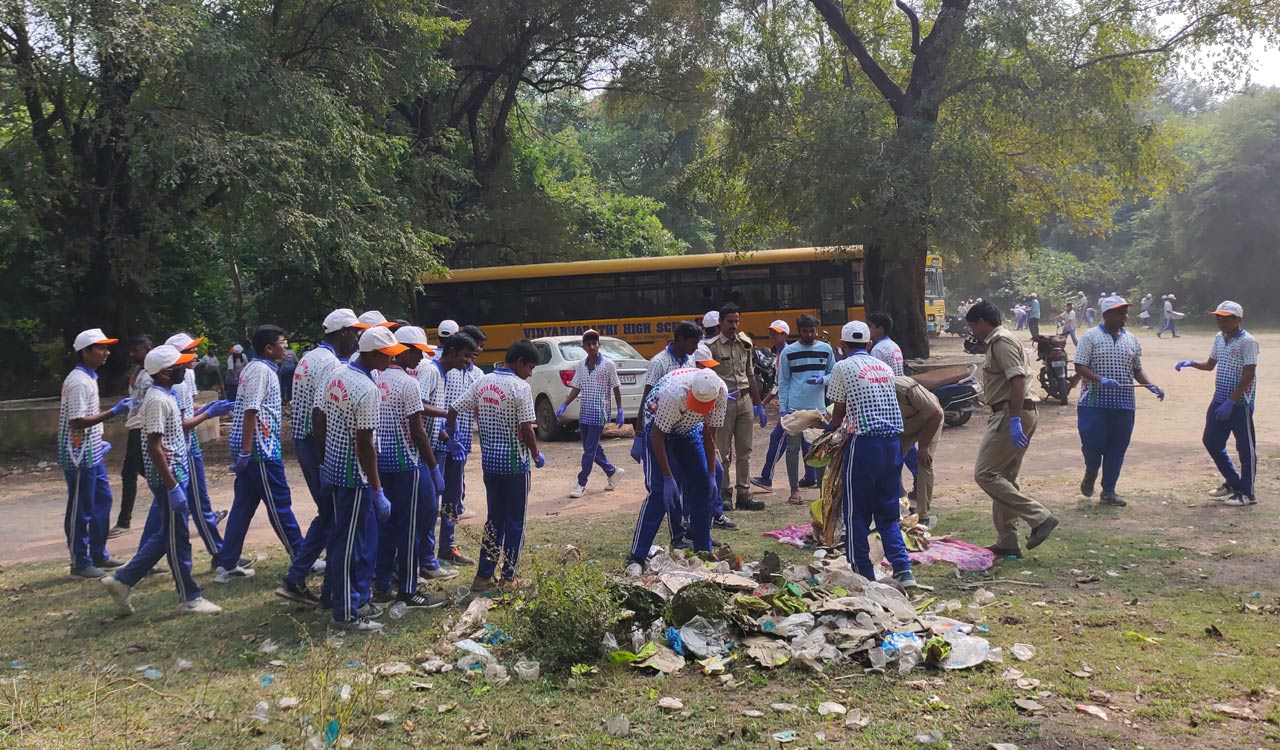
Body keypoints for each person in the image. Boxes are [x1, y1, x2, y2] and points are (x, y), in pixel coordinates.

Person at [100, 345, 223, 616]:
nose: (184, 369)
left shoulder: (166, 395)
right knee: (178, 539)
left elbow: (171, 433)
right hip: (169, 478)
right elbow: (155, 446)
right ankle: (189, 597)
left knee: (167, 534)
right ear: (166, 372)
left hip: (176, 474)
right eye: (179, 365)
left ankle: (123, 580)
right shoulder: (156, 400)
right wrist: (172, 486)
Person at [275, 309, 367, 606]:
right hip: (318, 444)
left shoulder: (309, 357)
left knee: (329, 514)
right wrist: (327, 460)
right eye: (354, 332)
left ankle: (307, 579)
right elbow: (319, 416)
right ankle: (317, 584)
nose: (357, 338)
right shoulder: (330, 363)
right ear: (343, 333)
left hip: (307, 443)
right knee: (335, 515)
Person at [318, 327, 405, 632]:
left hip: (335, 467)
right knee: (348, 544)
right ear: (372, 354)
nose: (391, 360)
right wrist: (377, 488)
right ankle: (345, 614)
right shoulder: (367, 389)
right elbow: (365, 442)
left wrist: (324, 458)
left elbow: (322, 418)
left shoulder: (338, 375)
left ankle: (346, 599)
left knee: (345, 538)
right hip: (354, 476)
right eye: (387, 355)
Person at [445, 339, 544, 592]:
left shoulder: (482, 381)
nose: (530, 374)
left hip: (490, 465)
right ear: (520, 362)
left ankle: (483, 575)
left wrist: (451, 435)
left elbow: (454, 408)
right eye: (530, 367)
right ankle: (510, 577)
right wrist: (535, 453)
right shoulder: (520, 387)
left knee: (494, 520)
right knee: (515, 521)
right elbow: (526, 428)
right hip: (515, 464)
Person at [825, 321, 916, 588]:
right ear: (868, 344)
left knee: (856, 510)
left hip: (864, 444)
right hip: (892, 444)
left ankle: (863, 571)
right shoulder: (885, 367)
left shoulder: (842, 367)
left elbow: (838, 413)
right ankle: (903, 569)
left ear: (842, 345)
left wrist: (825, 429)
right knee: (888, 512)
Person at [965, 301, 1058, 558]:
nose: (973, 331)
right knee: (1004, 477)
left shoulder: (1001, 342)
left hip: (1010, 413)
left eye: (973, 325)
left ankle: (1040, 516)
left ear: (982, 321)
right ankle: (1007, 540)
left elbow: (1016, 381)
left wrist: (1014, 419)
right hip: (1015, 412)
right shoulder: (1003, 340)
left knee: (985, 474)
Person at [213, 324, 304, 583]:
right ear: (268, 348)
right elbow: (252, 410)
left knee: (243, 505)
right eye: (282, 343)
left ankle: (227, 563)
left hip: (255, 446)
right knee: (279, 504)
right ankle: (301, 556)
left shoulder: (257, 368)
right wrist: (245, 449)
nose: (286, 347)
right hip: (259, 449)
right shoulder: (261, 371)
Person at [371, 326, 451, 609]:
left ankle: (381, 584)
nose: (420, 359)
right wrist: (433, 466)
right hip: (407, 464)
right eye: (417, 352)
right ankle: (407, 588)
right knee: (408, 528)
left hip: (380, 464)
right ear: (403, 350)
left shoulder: (375, 378)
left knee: (386, 527)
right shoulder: (408, 384)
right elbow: (417, 431)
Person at [625, 368, 728, 575]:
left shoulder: (721, 392)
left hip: (691, 430)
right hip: (659, 430)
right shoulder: (675, 394)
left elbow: (710, 433)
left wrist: (710, 473)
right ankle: (637, 555)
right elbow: (657, 436)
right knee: (659, 493)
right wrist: (667, 476)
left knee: (704, 487)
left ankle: (702, 550)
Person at [1074, 296, 1164, 507]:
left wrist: (1150, 386)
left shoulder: (1131, 339)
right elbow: (1080, 366)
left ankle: (1109, 491)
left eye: (1125, 312)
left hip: (1123, 404)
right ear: (1106, 315)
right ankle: (1091, 470)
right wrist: (1100, 379)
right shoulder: (1090, 336)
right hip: (1093, 403)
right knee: (1093, 446)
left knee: (1117, 447)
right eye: (1119, 312)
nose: (1124, 316)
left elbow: (1136, 368)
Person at [59, 328, 130, 579]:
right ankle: (80, 562)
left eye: (106, 348)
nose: (106, 352)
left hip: (92, 450)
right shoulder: (78, 381)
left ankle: (98, 553)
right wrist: (113, 413)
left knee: (102, 500)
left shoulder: (90, 377)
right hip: (78, 453)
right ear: (85, 351)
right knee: (82, 508)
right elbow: (76, 421)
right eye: (101, 348)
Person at [1176, 301, 1259, 506]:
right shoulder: (1219, 338)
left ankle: (1247, 493)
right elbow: (1211, 364)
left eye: (1226, 318)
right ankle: (1233, 482)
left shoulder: (1248, 342)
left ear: (1238, 319)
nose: (1221, 322)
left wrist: (1232, 401)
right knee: (1211, 441)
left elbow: (1249, 373)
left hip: (1240, 402)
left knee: (1245, 448)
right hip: (1219, 399)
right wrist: (1192, 363)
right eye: (1218, 317)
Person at [163, 332, 235, 561]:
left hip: (188, 444)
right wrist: (207, 414)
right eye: (190, 351)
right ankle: (219, 554)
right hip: (182, 448)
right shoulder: (178, 381)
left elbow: (187, 407)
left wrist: (207, 406)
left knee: (182, 507)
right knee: (197, 503)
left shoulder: (187, 377)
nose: (196, 355)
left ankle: (218, 552)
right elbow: (181, 423)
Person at [415, 331, 480, 575]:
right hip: (430, 450)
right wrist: (445, 416)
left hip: (452, 443)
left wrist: (448, 435)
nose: (469, 361)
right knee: (430, 505)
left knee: (452, 498)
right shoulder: (431, 371)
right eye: (466, 356)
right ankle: (425, 557)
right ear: (451, 351)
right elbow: (417, 407)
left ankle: (446, 547)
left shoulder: (464, 374)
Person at [707, 303, 767, 511]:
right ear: (721, 322)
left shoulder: (745, 344)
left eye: (736, 321)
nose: (734, 325)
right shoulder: (711, 347)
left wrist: (759, 403)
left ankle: (744, 492)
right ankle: (724, 493)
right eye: (730, 321)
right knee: (722, 451)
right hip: (723, 402)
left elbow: (750, 374)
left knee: (745, 450)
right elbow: (707, 378)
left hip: (744, 400)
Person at [776, 314, 835, 505]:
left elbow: (833, 373)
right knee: (792, 450)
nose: (809, 334)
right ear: (798, 330)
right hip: (795, 407)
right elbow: (783, 381)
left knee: (819, 451)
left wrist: (822, 380)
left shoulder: (826, 349)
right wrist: (783, 409)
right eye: (805, 331)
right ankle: (794, 490)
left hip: (818, 409)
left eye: (812, 330)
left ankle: (823, 492)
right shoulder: (789, 352)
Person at [558, 329, 625, 498]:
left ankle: (581, 483)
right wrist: (565, 404)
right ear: (584, 347)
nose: (592, 346)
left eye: (595, 343)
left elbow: (616, 387)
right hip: (585, 411)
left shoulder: (608, 364)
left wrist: (620, 410)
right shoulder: (580, 365)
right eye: (589, 344)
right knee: (592, 448)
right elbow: (576, 387)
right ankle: (612, 471)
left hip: (599, 412)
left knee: (589, 451)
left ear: (599, 345)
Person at [634, 321, 701, 463]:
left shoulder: (691, 359)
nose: (696, 348)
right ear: (681, 340)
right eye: (693, 343)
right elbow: (647, 397)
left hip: (682, 426)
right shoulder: (659, 362)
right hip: (659, 425)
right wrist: (639, 433)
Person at [112, 335, 153, 537]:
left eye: (136, 350)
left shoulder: (154, 372)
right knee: (147, 471)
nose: (131, 354)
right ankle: (183, 503)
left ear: (146, 349)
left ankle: (124, 521)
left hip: (143, 427)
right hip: (134, 425)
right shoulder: (137, 372)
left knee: (130, 472)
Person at [893, 375, 944, 528]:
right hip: (906, 425)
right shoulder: (872, 391)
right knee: (889, 462)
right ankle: (901, 505)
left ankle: (923, 515)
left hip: (930, 422)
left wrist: (923, 447)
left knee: (924, 464)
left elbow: (936, 413)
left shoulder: (906, 388)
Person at [750, 320, 794, 493]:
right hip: (793, 402)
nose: (772, 336)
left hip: (790, 404)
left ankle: (767, 477)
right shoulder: (780, 353)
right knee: (804, 440)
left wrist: (763, 403)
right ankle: (811, 476)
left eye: (776, 333)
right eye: (771, 333)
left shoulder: (785, 354)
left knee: (778, 438)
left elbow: (779, 384)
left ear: (785, 335)